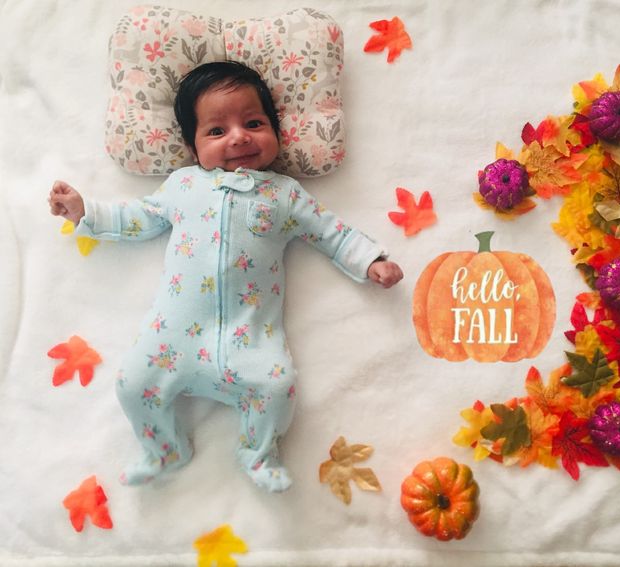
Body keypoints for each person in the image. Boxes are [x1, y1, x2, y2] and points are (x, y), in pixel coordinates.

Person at [48, 61, 403, 492]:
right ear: (193, 146)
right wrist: (87, 212)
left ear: (275, 129)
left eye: (254, 123)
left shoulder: (284, 195)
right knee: (132, 384)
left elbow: (331, 231)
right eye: (216, 131)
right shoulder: (183, 185)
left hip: (248, 337)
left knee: (278, 387)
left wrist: (370, 260)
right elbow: (139, 217)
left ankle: (257, 453)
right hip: (173, 337)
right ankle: (164, 449)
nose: (238, 137)